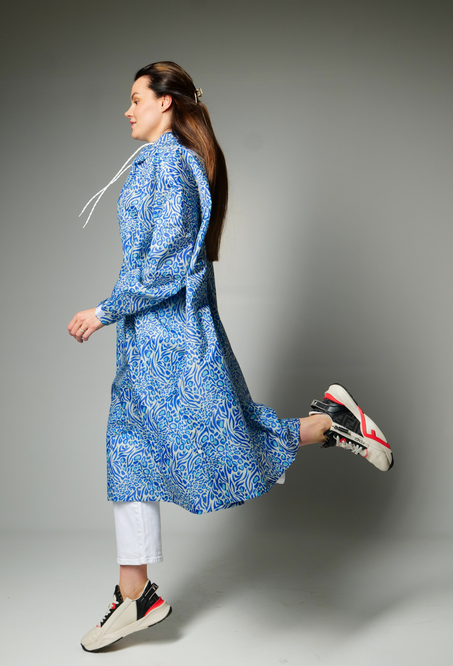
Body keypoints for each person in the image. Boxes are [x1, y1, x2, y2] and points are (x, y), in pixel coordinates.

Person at [68, 61, 393, 653]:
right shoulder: (157, 161)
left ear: (166, 103)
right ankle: (136, 595)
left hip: (175, 341)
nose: (127, 109)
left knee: (228, 441)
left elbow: (168, 264)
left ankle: (331, 423)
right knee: (129, 454)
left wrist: (104, 310)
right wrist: (120, 317)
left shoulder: (171, 164)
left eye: (136, 98)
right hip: (146, 339)